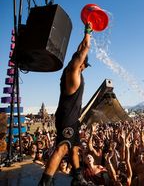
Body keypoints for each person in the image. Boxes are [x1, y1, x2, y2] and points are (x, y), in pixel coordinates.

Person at [38, 23, 93, 186]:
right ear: (81, 63)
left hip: (71, 117)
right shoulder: (74, 71)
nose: (85, 68)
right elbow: (84, 49)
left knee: (74, 147)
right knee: (62, 148)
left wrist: (84, 38)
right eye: (85, 65)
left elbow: (79, 51)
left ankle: (78, 178)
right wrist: (88, 32)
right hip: (67, 116)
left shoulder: (70, 69)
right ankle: (44, 183)